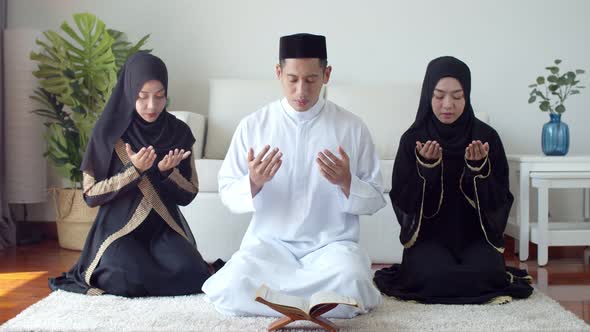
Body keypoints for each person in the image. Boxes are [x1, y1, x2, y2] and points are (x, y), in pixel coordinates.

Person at [202, 33, 386, 318]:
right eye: (292, 79)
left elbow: (375, 198)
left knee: (353, 281)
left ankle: (279, 303)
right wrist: (253, 182)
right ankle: (317, 305)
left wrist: (347, 182)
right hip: (269, 247)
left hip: (331, 249)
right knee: (233, 284)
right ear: (278, 73)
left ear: (326, 74)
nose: (301, 90)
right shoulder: (254, 125)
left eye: (311, 80)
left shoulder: (351, 127)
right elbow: (227, 191)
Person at [49, 52, 216, 297]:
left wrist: (167, 173)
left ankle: (155, 272)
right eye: (142, 96)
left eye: (159, 97)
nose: (152, 106)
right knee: (125, 278)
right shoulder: (107, 133)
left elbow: (189, 193)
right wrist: (134, 170)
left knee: (192, 272)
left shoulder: (178, 132)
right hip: (118, 231)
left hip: (163, 229)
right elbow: (90, 194)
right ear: (129, 92)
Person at [373, 56, 533, 304]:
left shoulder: (486, 137)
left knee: (486, 274)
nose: (448, 104)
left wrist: (477, 170)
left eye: (457, 96)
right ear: (428, 94)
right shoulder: (413, 139)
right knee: (433, 276)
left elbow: (501, 198)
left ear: (467, 95)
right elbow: (402, 200)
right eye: (439, 96)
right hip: (429, 238)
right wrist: (426, 170)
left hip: (474, 237)